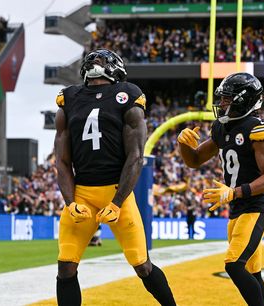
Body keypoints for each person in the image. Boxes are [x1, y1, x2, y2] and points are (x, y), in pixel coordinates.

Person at [54, 49, 176, 306]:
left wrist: (117, 202)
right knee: (66, 266)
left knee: (142, 265)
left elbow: (136, 157)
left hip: (115, 191)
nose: (96, 63)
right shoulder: (70, 98)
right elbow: (62, 161)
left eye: (101, 60)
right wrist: (69, 201)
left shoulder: (128, 94)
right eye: (93, 59)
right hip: (82, 193)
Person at [178, 72, 264, 306]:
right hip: (237, 209)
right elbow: (194, 160)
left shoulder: (257, 128)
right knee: (253, 272)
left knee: (234, 265)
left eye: (227, 98)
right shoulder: (221, 128)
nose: (222, 103)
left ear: (244, 100)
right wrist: (183, 145)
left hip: (257, 207)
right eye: (222, 98)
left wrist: (235, 192)